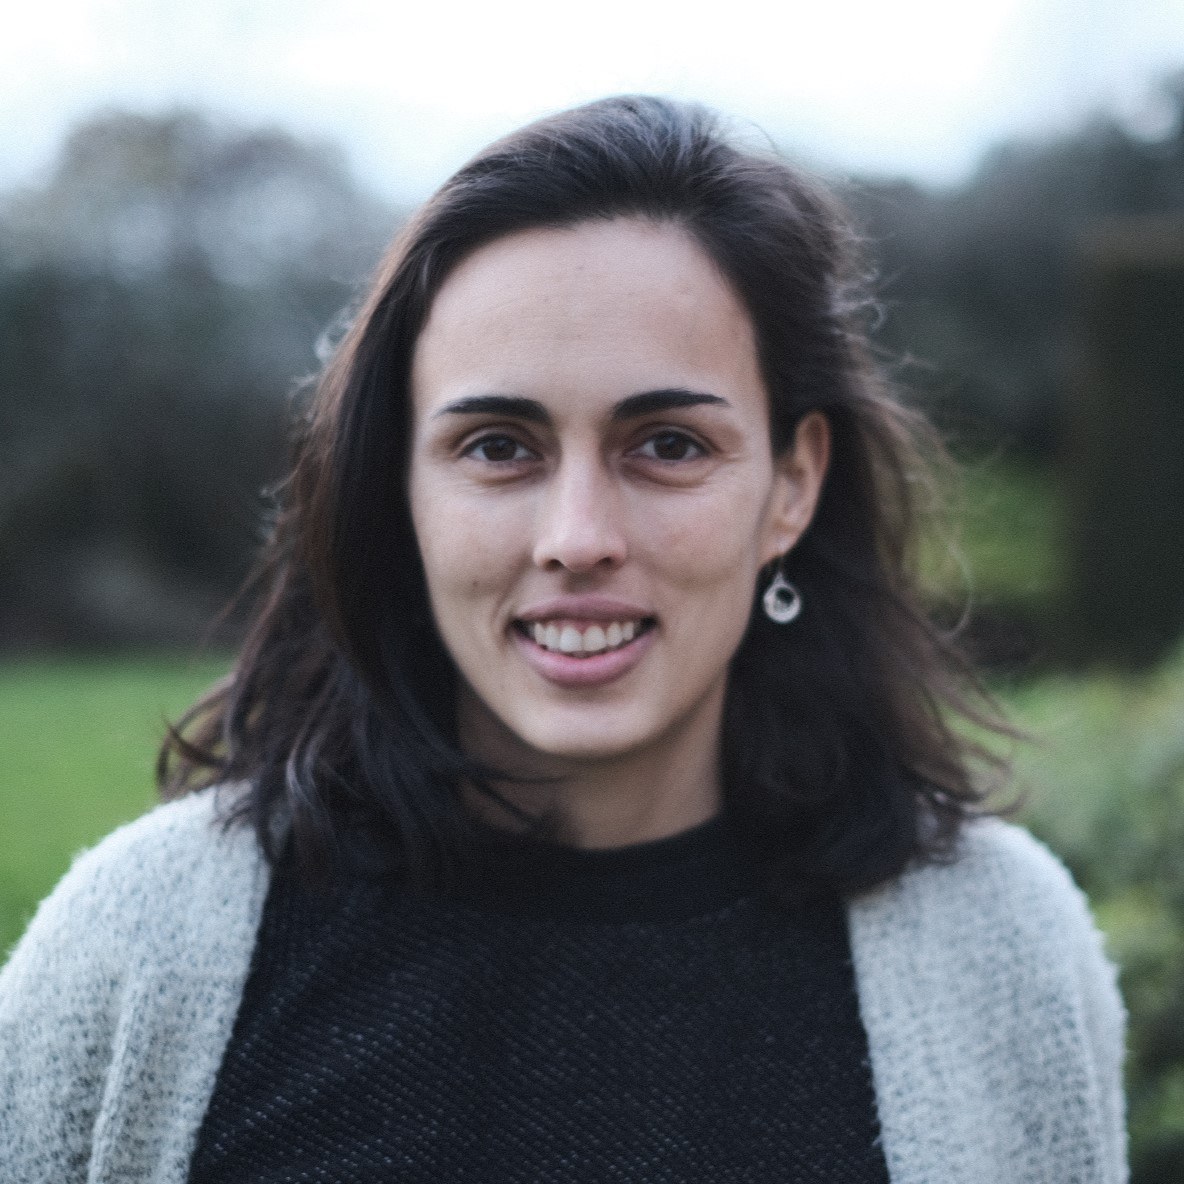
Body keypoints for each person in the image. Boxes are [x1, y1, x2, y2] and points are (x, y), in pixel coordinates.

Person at [0, 95, 1126, 1182]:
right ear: (397, 489)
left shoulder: (998, 948)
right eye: (499, 446)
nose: (578, 537)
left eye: (668, 444)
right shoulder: (145, 950)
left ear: (791, 483)